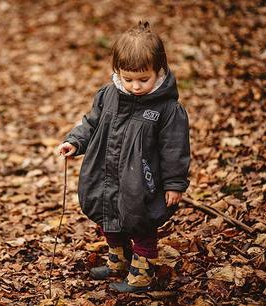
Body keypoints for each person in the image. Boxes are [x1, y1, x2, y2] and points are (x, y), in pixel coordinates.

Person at [57, 20, 190, 293]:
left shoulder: (167, 109)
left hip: (142, 180)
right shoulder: (109, 95)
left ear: (159, 70)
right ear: (117, 71)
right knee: (108, 214)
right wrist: (75, 141)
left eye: (144, 79)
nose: (135, 86)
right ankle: (118, 258)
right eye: (128, 79)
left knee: (141, 222)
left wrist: (175, 183)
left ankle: (142, 272)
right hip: (106, 172)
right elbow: (91, 124)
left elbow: (175, 148)